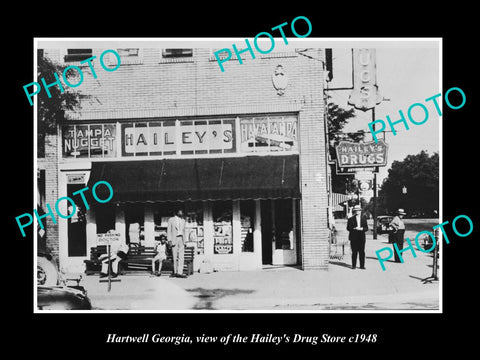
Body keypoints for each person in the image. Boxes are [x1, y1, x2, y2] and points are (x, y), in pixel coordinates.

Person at [346, 205, 369, 269]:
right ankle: (354, 265)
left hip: (361, 237)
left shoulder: (364, 219)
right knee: (354, 252)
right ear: (354, 211)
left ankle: (362, 266)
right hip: (354, 237)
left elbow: (366, 228)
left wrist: (362, 229)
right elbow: (348, 228)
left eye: (358, 210)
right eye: (356, 210)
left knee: (362, 252)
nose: (357, 212)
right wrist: (354, 228)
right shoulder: (351, 219)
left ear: (360, 211)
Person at [167, 208, 187, 278]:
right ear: (177, 212)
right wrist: (169, 240)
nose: (182, 213)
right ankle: (175, 272)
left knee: (181, 256)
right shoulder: (171, 220)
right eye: (180, 211)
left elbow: (184, 231)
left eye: (182, 212)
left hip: (181, 238)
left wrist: (185, 241)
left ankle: (180, 272)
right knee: (174, 256)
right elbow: (169, 230)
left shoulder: (183, 220)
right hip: (174, 239)